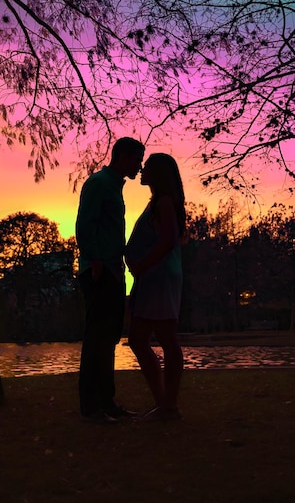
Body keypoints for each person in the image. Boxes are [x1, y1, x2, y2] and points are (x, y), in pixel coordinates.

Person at [76, 137, 145, 423]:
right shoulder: (99, 183)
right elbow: (84, 223)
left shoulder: (114, 186)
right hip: (101, 271)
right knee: (97, 338)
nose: (139, 166)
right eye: (136, 160)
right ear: (123, 157)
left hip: (113, 271)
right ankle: (93, 407)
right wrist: (94, 262)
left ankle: (106, 401)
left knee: (109, 338)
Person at [125, 153, 186, 421]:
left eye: (147, 166)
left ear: (158, 173)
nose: (141, 169)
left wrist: (142, 265)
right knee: (142, 339)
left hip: (158, 277)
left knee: (161, 339)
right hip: (153, 277)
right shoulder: (158, 203)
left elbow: (168, 241)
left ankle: (167, 405)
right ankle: (164, 404)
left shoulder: (163, 203)